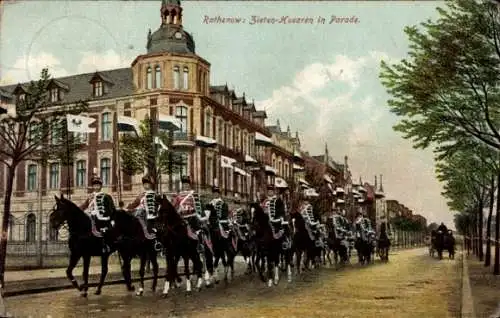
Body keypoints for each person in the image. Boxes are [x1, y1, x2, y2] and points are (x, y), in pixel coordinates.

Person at [79, 175, 116, 253]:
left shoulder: (106, 196)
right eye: (95, 185)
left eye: (98, 185)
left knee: (104, 231)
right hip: (91, 217)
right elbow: (84, 206)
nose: (96, 187)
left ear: (101, 186)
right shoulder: (90, 197)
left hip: (103, 218)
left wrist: (112, 219)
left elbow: (111, 209)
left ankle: (106, 246)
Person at [126, 175, 161, 249]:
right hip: (140, 215)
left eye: (147, 184)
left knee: (154, 228)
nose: (146, 186)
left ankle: (157, 242)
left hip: (152, 215)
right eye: (144, 184)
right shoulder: (141, 195)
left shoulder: (156, 195)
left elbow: (159, 205)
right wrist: (128, 208)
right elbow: (135, 203)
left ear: (151, 184)